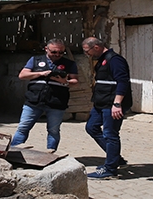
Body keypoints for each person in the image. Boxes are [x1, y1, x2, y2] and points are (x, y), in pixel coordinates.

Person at [11, 38, 79, 152]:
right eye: (54, 52)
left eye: (61, 52)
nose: (57, 55)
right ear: (46, 49)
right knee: (23, 127)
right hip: (33, 100)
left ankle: (51, 153)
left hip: (57, 101)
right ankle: (13, 151)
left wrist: (64, 81)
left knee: (54, 130)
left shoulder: (69, 63)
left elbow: (75, 82)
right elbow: (22, 75)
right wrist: (41, 73)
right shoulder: (35, 60)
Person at [81, 37, 133, 179]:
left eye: (87, 51)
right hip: (101, 103)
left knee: (110, 134)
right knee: (91, 127)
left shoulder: (115, 60)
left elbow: (123, 81)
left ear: (96, 47)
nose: (87, 54)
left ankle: (110, 169)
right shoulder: (103, 60)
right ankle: (116, 158)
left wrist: (117, 103)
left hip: (112, 104)